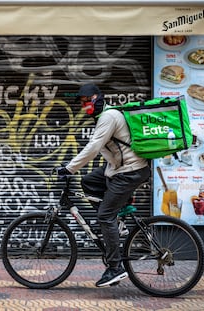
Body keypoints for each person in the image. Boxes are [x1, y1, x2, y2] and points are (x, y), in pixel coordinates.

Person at [56, 84, 150, 287]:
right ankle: (115, 218)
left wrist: (68, 169)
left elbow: (93, 147)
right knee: (89, 181)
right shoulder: (103, 117)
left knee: (104, 216)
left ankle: (115, 267)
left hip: (130, 171)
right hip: (119, 168)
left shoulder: (109, 116)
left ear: (97, 98)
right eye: (82, 104)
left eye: (86, 101)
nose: (84, 106)